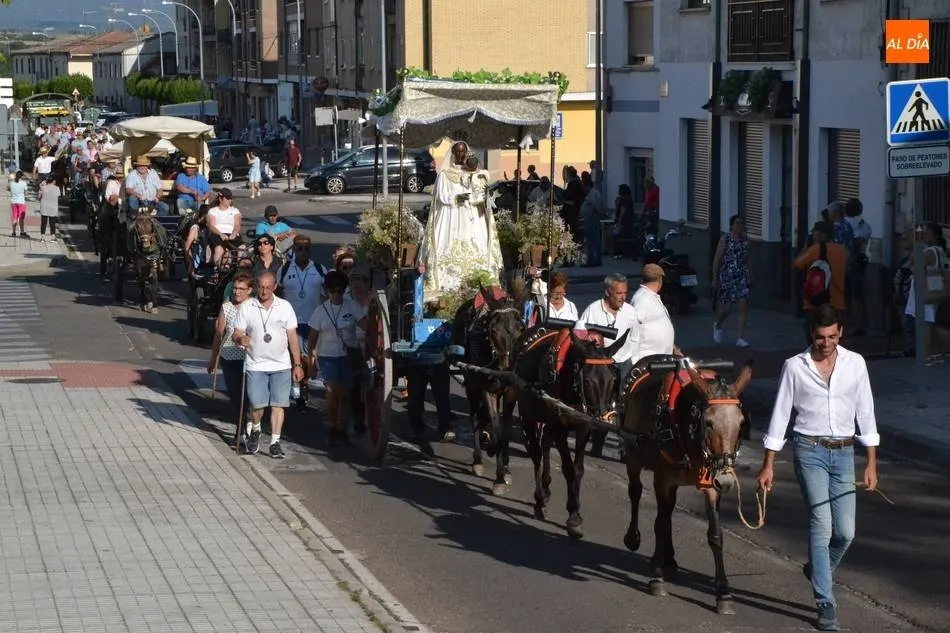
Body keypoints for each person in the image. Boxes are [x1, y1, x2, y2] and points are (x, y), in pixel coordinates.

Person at [756, 304, 879, 632]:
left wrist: (870, 463)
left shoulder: (855, 364)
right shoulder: (794, 367)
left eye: (833, 337)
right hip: (809, 449)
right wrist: (768, 464)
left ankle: (818, 567)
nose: (827, 343)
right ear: (812, 334)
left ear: (841, 334)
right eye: (821, 337)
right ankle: (825, 602)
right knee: (821, 525)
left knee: (846, 532)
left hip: (844, 453)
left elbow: (865, 412)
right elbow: (781, 415)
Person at [417, 141, 503, 303]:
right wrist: (456, 198)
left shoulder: (475, 173)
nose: (461, 155)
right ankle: (445, 290)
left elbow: (482, 194)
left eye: (464, 152)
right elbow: (441, 196)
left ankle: (480, 285)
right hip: (451, 218)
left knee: (478, 247)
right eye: (458, 152)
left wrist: (477, 187)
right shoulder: (444, 175)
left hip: (471, 219)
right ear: (453, 154)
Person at [231, 271, 305, 458]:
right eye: (261, 287)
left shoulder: (285, 307)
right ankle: (255, 428)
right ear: (256, 287)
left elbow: (292, 338)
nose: (264, 290)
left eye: (268, 287)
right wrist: (240, 339)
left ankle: (275, 442)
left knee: (278, 405)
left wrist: (297, 364)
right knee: (256, 405)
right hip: (255, 364)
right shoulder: (248, 306)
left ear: (274, 287)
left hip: (281, 364)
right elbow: (236, 332)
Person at [574, 272, 640, 456]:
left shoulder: (630, 312)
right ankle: (597, 442)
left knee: (622, 405)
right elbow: (579, 334)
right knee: (602, 404)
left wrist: (622, 359)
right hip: (600, 365)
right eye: (618, 293)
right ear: (607, 292)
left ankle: (623, 448)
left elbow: (635, 340)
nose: (623, 297)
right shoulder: (593, 310)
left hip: (622, 362)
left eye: (625, 292)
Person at [306, 270, 366, 446]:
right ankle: (333, 425)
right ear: (327, 291)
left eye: (340, 291)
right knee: (332, 390)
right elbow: (312, 337)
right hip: (327, 355)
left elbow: (366, 325)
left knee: (346, 394)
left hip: (348, 354)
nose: (336, 295)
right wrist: (311, 359)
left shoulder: (351, 306)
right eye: (333, 291)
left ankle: (342, 428)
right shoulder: (320, 311)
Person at [278, 235, 326, 409]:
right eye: (299, 248)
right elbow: (277, 293)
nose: (303, 251)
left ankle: (301, 385)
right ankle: (299, 393)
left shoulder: (319, 269)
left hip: (312, 323)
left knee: (307, 359)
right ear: (293, 250)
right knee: (295, 358)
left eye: (306, 248)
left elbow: (328, 294)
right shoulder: (284, 270)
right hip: (291, 324)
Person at [208, 272, 252, 424]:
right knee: (234, 392)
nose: (236, 291)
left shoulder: (254, 306)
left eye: (241, 288)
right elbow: (219, 334)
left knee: (249, 393)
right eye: (235, 288)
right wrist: (213, 359)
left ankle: (247, 421)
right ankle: (240, 422)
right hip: (230, 356)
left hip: (251, 356)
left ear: (249, 290)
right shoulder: (227, 307)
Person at [795, 221, 847, 343]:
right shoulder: (842, 250)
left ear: (821, 235)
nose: (813, 236)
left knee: (814, 338)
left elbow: (797, 264)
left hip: (816, 302)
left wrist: (805, 248)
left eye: (815, 233)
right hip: (838, 301)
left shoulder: (815, 249)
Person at [904, 221, 946, 364]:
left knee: (926, 322)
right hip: (935, 289)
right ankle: (936, 352)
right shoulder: (939, 250)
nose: (924, 236)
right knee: (931, 322)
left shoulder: (929, 251)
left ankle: (926, 354)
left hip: (925, 290)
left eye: (927, 233)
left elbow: (914, 267)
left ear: (933, 236)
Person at [711, 214, 752, 348]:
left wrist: (750, 275)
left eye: (742, 223)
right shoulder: (726, 239)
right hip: (727, 276)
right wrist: (715, 278)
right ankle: (718, 324)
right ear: (731, 225)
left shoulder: (746, 240)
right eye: (737, 223)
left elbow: (748, 259)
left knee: (743, 306)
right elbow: (717, 258)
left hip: (742, 276)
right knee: (726, 308)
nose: (740, 226)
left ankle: (740, 338)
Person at [844, 198, 871, 336]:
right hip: (857, 262)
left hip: (848, 263)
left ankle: (848, 324)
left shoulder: (843, 225)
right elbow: (861, 242)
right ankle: (857, 324)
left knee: (848, 295)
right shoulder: (864, 226)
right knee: (856, 295)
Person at [207, 188, 244, 265]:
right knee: (219, 249)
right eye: (227, 198)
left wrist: (234, 233)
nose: (230, 201)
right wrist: (220, 234)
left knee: (242, 248)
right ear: (220, 199)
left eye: (231, 198)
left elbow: (237, 224)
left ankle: (240, 270)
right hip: (217, 234)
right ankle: (218, 270)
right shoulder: (213, 211)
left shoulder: (235, 210)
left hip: (232, 233)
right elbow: (211, 225)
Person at [580, 171, 605, 267]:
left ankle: (592, 260)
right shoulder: (592, 193)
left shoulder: (592, 193)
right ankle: (594, 259)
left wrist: (595, 213)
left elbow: (595, 207)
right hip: (590, 219)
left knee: (592, 241)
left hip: (592, 219)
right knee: (593, 240)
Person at [38, 175, 61, 243]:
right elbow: (58, 197)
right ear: (54, 181)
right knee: (52, 223)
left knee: (43, 223)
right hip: (53, 207)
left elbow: (39, 197)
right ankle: (53, 238)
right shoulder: (57, 188)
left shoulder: (43, 188)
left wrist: (41, 187)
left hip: (44, 206)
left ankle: (42, 238)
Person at [9, 170, 29, 238]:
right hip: (21, 202)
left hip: (13, 202)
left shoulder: (11, 183)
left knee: (15, 217)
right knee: (21, 218)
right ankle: (22, 232)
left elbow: (9, 189)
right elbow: (26, 193)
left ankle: (14, 232)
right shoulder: (24, 183)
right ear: (22, 176)